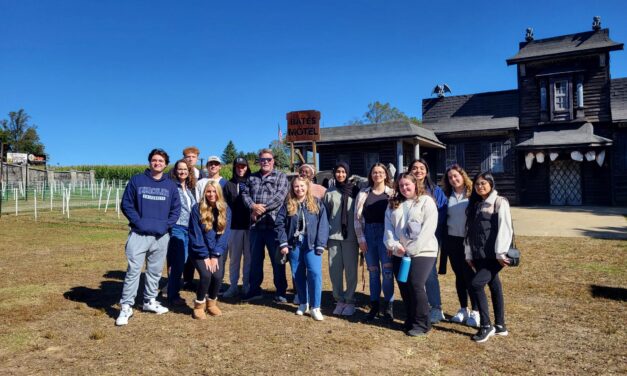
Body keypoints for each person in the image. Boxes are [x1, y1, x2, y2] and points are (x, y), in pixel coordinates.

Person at [116, 148, 181, 326]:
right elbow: (126, 204)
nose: (157, 163)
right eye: (154, 160)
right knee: (133, 271)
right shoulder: (137, 180)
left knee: (155, 271)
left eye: (161, 161)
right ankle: (126, 306)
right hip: (139, 234)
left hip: (161, 236)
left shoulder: (170, 186)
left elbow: (176, 209)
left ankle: (149, 301)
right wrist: (139, 222)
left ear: (166, 164)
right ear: (149, 162)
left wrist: (166, 225)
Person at [384, 173, 438, 336]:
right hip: (400, 252)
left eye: (407, 184)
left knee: (415, 284)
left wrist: (413, 249)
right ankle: (411, 319)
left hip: (423, 251)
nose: (404, 188)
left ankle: (423, 323)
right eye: (401, 186)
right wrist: (394, 245)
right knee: (405, 286)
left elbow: (429, 228)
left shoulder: (426, 201)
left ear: (415, 184)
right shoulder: (393, 204)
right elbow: (388, 228)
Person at [465, 171, 513, 342]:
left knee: (476, 284)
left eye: (484, 183)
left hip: (494, 256)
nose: (480, 186)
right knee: (494, 285)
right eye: (477, 184)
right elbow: (469, 232)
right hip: (478, 255)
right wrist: (469, 253)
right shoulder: (476, 204)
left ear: (491, 184)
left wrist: (501, 253)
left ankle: (486, 325)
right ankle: (500, 325)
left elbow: (505, 228)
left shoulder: (500, 202)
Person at [276, 177, 329, 320]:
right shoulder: (288, 204)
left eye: (302, 186)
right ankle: (303, 303)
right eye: (296, 187)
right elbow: (279, 223)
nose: (299, 189)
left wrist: (320, 244)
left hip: (311, 244)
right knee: (297, 274)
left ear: (307, 187)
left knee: (315, 273)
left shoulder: (316, 203)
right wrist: (283, 243)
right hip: (294, 245)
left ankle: (315, 306)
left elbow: (323, 224)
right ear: (292, 188)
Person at [241, 149, 289, 302]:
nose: (265, 162)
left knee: (278, 261)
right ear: (259, 161)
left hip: (274, 226)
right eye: (262, 159)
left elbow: (279, 197)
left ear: (273, 161)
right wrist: (252, 207)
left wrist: (260, 210)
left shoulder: (281, 177)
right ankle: (255, 290)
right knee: (255, 261)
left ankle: (281, 292)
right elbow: (244, 194)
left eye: (268, 159)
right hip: (256, 227)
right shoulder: (252, 177)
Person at [354, 162, 395, 321]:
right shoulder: (363, 193)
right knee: (373, 273)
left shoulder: (392, 193)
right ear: (371, 175)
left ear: (385, 175)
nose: (377, 175)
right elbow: (357, 219)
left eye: (380, 172)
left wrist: (392, 241)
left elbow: (396, 218)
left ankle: (389, 306)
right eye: (374, 172)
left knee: (387, 273)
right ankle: (374, 306)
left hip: (386, 234)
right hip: (368, 235)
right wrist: (361, 239)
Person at [409, 158, 447, 323]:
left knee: (430, 274)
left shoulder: (435, 190)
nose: (418, 171)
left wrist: (429, 231)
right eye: (415, 168)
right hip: (408, 240)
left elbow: (442, 214)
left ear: (426, 171)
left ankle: (436, 307)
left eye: (421, 168)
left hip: (430, 238)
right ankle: (417, 304)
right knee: (413, 274)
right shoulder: (406, 187)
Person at [441, 164, 480, 327]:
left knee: (470, 276)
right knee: (459, 276)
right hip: (452, 241)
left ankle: (476, 311)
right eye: (450, 177)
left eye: (456, 176)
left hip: (468, 241)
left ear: (462, 175)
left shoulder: (472, 194)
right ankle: (463, 308)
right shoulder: (446, 195)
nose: (453, 179)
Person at [188, 180, 232, 319]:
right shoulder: (197, 208)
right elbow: (196, 234)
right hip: (199, 250)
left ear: (218, 193)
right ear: (204, 193)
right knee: (206, 275)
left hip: (216, 250)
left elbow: (225, 234)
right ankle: (199, 305)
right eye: (208, 191)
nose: (211, 194)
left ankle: (212, 303)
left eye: (214, 191)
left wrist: (215, 254)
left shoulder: (226, 209)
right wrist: (205, 255)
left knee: (218, 276)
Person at [323, 161, 360, 316]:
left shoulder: (356, 191)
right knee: (335, 270)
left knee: (351, 271)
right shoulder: (329, 193)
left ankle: (350, 300)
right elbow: (324, 217)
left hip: (351, 236)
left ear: (348, 173)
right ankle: (339, 299)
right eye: (338, 171)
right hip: (333, 237)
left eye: (343, 172)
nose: (340, 175)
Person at [165, 159, 197, 306]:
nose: (182, 171)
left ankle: (173, 290)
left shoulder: (190, 188)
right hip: (177, 227)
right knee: (178, 262)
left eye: (185, 169)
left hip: (189, 228)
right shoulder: (172, 186)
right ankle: (172, 295)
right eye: (180, 169)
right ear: (175, 171)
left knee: (183, 261)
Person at [222, 157, 252, 298]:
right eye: (238, 166)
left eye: (243, 166)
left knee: (249, 259)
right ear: (234, 168)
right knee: (234, 259)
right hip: (234, 227)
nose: (241, 169)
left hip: (251, 227)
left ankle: (246, 286)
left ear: (247, 167)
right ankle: (233, 286)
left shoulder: (253, 182)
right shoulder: (228, 185)